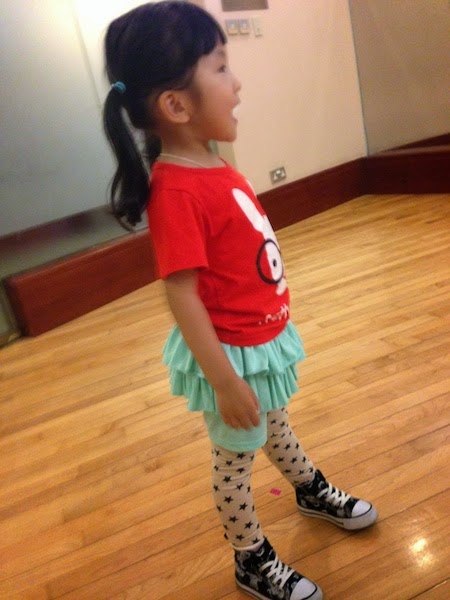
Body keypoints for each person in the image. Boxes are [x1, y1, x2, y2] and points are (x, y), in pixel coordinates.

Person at [102, 3, 378, 599]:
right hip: (230, 354)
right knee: (234, 460)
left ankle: (308, 488)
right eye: (221, 68)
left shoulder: (212, 163)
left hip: (260, 338)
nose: (238, 83)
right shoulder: (176, 190)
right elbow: (180, 293)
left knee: (274, 423)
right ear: (176, 106)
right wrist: (224, 381)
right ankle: (249, 558)